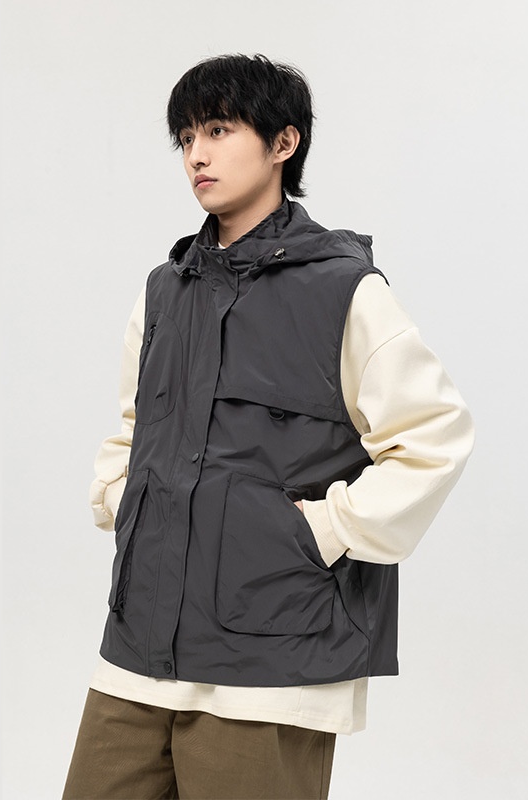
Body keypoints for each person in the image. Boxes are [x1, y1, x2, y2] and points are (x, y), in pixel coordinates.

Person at [62, 53, 475, 800]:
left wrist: (321, 531)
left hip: (275, 659)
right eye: (186, 137)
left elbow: (434, 436)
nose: (197, 154)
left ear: (284, 143)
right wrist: (123, 500)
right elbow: (132, 426)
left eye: (219, 130)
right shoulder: (164, 291)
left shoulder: (343, 289)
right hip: (139, 646)